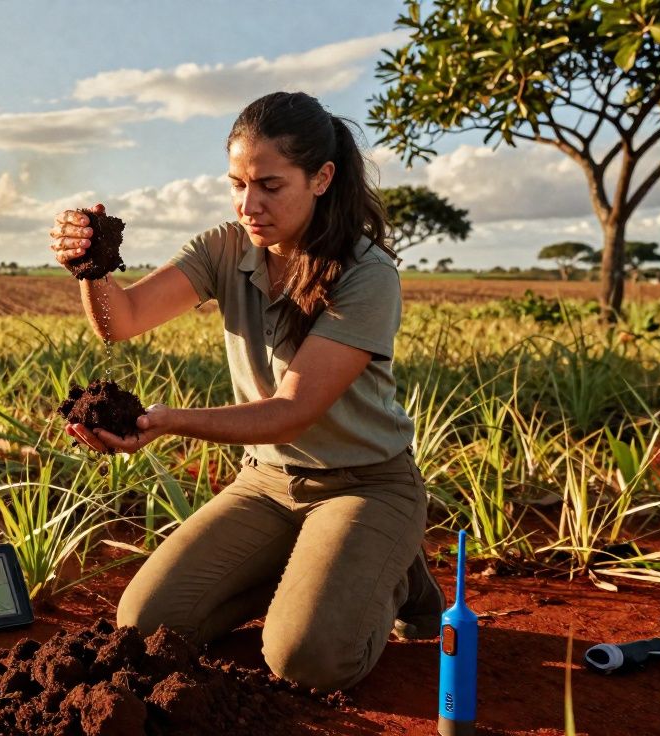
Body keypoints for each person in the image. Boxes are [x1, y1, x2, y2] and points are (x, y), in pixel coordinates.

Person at [47, 91, 443, 693]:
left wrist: (167, 421)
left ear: (321, 178)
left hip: (363, 484)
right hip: (266, 484)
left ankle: (393, 574)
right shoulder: (224, 247)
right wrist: (91, 264)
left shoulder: (366, 272)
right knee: (147, 625)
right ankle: (316, 565)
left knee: (307, 659)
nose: (248, 204)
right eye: (237, 184)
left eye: (270, 186)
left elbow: (292, 413)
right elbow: (120, 322)